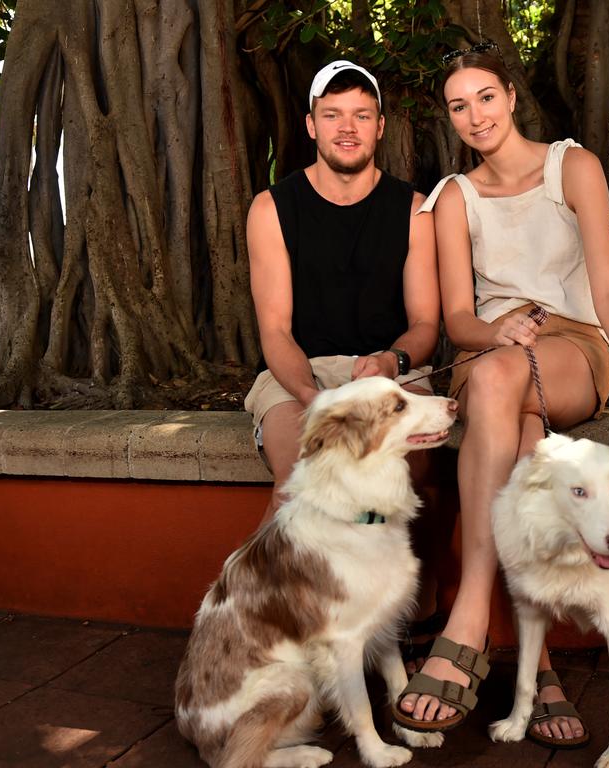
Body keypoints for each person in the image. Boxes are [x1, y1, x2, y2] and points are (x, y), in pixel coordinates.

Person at [393, 47, 609, 747]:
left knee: (503, 387)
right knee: (522, 445)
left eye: (485, 98)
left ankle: (466, 620)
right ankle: (543, 670)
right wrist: (493, 331)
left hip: (572, 351)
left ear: (510, 96)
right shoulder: (453, 198)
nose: (475, 116)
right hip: (489, 356)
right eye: (459, 106)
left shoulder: (572, 167)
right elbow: (459, 319)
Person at [243, 60, 445, 642]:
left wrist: (392, 362)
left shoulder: (412, 210)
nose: (347, 128)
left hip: (387, 372)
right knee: (299, 478)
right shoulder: (271, 208)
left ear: (381, 125)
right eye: (332, 116)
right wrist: (314, 396)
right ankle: (258, 627)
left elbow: (426, 323)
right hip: (299, 373)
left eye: (361, 115)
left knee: (416, 467)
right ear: (311, 125)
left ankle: (412, 613)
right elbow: (275, 331)